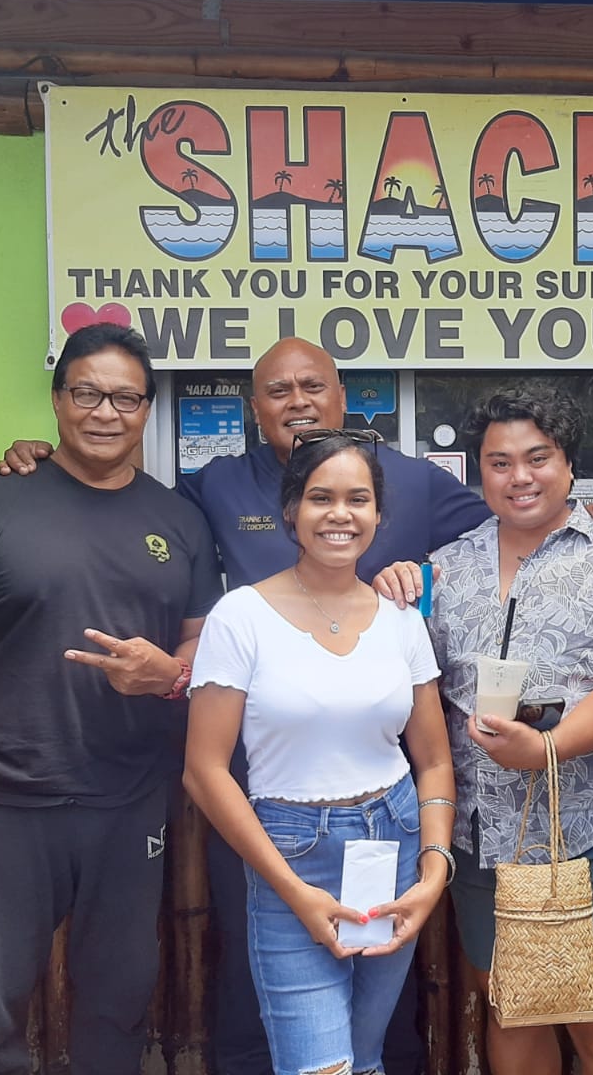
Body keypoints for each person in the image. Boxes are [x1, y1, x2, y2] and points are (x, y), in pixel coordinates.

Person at [0, 337, 593, 1075]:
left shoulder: (410, 563)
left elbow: (520, 516)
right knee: (294, 1027)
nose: (298, 402)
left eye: (358, 501)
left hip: (432, 829)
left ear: (344, 399)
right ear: (286, 501)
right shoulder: (219, 511)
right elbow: (122, 501)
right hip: (273, 810)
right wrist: (46, 467)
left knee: (388, 1040)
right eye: (278, 390)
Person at [0, 323, 221, 1073]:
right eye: (87, 393)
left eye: (125, 398)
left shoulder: (179, 520)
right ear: (56, 400)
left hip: (131, 802)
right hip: (3, 804)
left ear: (147, 410)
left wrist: (167, 673)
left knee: (120, 1000)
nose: (105, 412)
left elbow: (202, 649)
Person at [377, 386, 593, 1075]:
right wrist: (392, 586)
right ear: (479, 472)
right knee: (513, 1014)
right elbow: (411, 680)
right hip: (482, 837)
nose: (520, 477)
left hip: (587, 831)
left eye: (538, 458)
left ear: (569, 464)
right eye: (500, 462)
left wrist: (545, 748)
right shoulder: (447, 567)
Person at [183, 429, 456, 1075]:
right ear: (291, 511)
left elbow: (434, 760)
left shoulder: (401, 619)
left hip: (391, 847)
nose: (340, 514)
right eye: (320, 498)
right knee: (320, 1067)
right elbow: (203, 770)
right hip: (290, 853)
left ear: (379, 515)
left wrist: (434, 869)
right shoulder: (240, 617)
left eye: (358, 499)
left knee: (363, 1058)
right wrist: (291, 891)